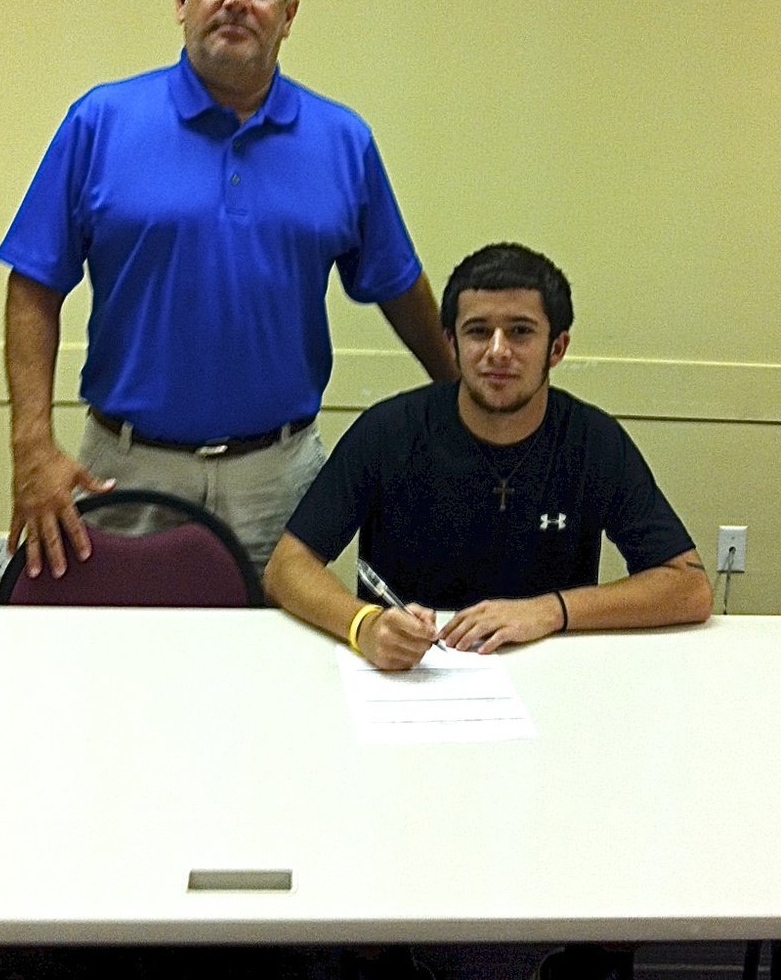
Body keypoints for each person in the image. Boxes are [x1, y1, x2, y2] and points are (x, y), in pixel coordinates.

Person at [265, 241, 712, 980]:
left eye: (521, 332)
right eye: (478, 332)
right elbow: (288, 565)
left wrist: (553, 610)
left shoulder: (591, 439)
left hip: (553, 702)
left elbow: (687, 584)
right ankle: (380, 958)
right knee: (368, 844)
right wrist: (362, 625)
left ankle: (592, 960)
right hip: (407, 692)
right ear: (451, 342)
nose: (497, 352)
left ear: (557, 347)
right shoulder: (391, 429)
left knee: (621, 807)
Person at [0, 0, 456, 580]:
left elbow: (398, 285)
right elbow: (34, 283)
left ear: (289, 15)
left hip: (281, 479)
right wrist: (31, 447)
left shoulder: (342, 140)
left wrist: (461, 402)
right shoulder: (101, 122)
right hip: (125, 473)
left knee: (281, 674)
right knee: (121, 671)